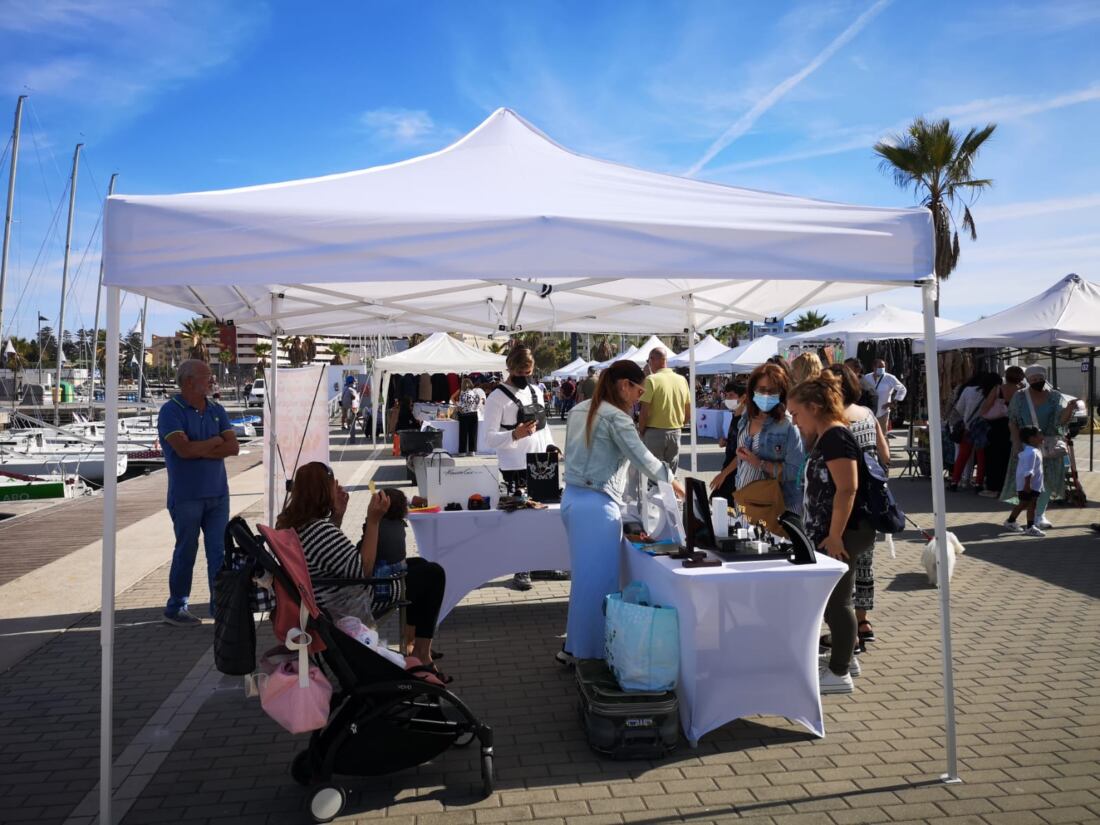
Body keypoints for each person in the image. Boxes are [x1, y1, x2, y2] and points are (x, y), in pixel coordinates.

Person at [560, 360, 685, 662]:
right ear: (624, 385)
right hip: (597, 504)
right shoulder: (616, 418)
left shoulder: (581, 408)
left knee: (584, 581)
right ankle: (591, 654)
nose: (639, 399)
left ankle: (575, 648)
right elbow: (642, 457)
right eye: (638, 391)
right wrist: (673, 481)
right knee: (598, 584)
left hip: (574, 499)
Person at [276, 465, 449, 679]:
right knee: (433, 574)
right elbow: (363, 570)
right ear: (322, 492)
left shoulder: (297, 525)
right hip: (356, 600)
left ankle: (414, 644)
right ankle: (422, 653)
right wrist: (374, 520)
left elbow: (331, 559)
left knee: (420, 565)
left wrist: (338, 516)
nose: (337, 489)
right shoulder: (320, 531)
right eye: (333, 485)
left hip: (333, 594)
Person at [787, 372, 873, 694]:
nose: (794, 421)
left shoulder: (835, 435)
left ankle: (839, 673)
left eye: (796, 414)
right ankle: (845, 660)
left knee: (836, 602)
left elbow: (847, 489)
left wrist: (835, 535)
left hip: (844, 532)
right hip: (835, 532)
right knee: (835, 601)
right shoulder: (828, 435)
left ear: (814, 406)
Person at [157, 359, 240, 626]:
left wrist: (204, 446)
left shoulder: (216, 408)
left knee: (219, 552)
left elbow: (233, 447)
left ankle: (220, 607)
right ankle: (176, 607)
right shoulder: (171, 411)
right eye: (207, 376)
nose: (212, 380)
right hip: (186, 496)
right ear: (190, 381)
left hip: (218, 494)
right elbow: (184, 450)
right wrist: (216, 442)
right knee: (186, 550)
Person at [483, 344, 556, 591]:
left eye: (529, 372)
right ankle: (520, 567)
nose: (526, 377)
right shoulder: (497, 397)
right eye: (521, 372)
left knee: (543, 515)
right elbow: (489, 438)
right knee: (520, 518)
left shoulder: (536, 390)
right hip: (514, 465)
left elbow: (544, 427)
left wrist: (552, 447)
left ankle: (542, 563)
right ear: (510, 368)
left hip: (541, 463)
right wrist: (514, 434)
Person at [826, 362, 890, 647]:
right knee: (865, 565)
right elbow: (885, 454)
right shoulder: (867, 414)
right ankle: (863, 622)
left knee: (841, 571)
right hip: (870, 503)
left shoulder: (835, 420)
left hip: (842, 502)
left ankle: (845, 634)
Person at [708, 363, 804, 515]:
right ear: (752, 391)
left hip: (775, 509)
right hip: (745, 504)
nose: (766, 395)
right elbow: (743, 459)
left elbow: (796, 471)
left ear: (781, 393)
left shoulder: (787, 425)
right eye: (762, 390)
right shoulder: (745, 419)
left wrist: (760, 464)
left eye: (772, 391)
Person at [1000, 364, 1078, 529]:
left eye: (1040, 379)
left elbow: (1061, 422)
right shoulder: (1020, 397)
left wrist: (1069, 409)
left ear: (1045, 379)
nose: (1037, 381)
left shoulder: (1055, 397)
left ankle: (1039, 515)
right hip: (1025, 446)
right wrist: (1016, 443)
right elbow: (1012, 421)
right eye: (1033, 379)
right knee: (1026, 484)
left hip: (1048, 446)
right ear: (1028, 380)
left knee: (1047, 482)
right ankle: (1017, 518)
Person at [637, 347, 691, 474]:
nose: (648, 363)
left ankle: (658, 493)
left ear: (653, 359)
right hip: (675, 431)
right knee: (671, 474)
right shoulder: (681, 379)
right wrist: (680, 425)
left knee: (654, 473)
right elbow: (688, 409)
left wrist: (642, 431)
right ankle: (670, 493)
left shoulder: (651, 379)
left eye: (648, 360)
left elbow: (644, 410)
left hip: (654, 433)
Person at [948, 372, 1002, 492]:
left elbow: (960, 409)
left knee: (962, 456)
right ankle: (979, 483)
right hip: (984, 428)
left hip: (969, 427)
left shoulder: (968, 390)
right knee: (981, 457)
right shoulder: (996, 393)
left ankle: (954, 481)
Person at [979, 365, 1024, 497]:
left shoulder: (999, 389)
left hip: (996, 425)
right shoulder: (1021, 392)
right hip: (1014, 426)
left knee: (993, 457)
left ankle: (993, 488)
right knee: (1008, 457)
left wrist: (983, 414)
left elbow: (987, 404)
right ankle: (1008, 487)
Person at [1003, 427, 1046, 537]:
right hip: (1029, 486)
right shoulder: (1031, 453)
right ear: (1031, 439)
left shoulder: (1033, 451)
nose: (1042, 437)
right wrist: (1028, 484)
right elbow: (1029, 471)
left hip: (1033, 485)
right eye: (1039, 435)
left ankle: (1011, 521)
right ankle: (1030, 527)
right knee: (1029, 504)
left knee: (1025, 504)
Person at [713, 380, 746, 500]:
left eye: (731, 395)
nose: (728, 398)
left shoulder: (745, 421)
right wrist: (726, 442)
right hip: (728, 467)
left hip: (737, 472)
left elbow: (742, 453)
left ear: (743, 397)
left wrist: (724, 474)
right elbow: (735, 441)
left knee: (720, 501)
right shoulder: (734, 416)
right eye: (726, 395)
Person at [863, 359, 907, 431]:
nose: (882, 369)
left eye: (883, 367)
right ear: (874, 367)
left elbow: (902, 389)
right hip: (868, 412)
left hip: (883, 411)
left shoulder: (889, 378)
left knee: (883, 434)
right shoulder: (867, 377)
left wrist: (894, 402)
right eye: (880, 366)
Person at [451, 376, 486, 455]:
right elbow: (478, 402)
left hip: (464, 414)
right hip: (473, 413)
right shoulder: (475, 392)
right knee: (473, 433)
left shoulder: (461, 392)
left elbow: (452, 398)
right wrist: (474, 407)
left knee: (463, 433)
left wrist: (457, 406)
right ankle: (472, 451)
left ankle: (462, 451)